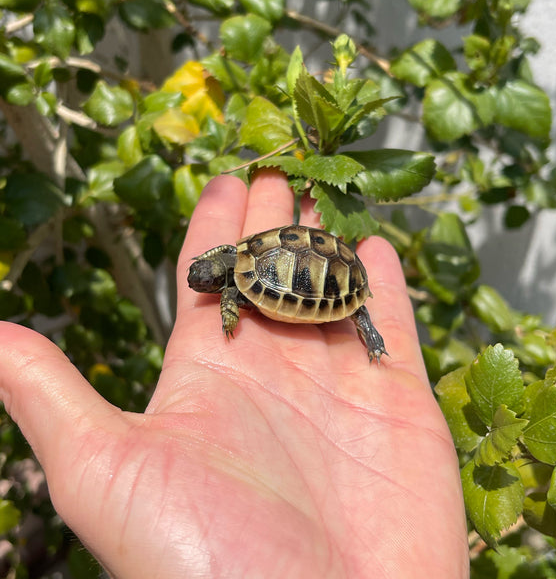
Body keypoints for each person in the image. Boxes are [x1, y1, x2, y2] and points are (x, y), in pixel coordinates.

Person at [0, 169, 469, 578]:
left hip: (323, 279)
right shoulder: (238, 253)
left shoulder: (234, 284)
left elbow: (232, 290)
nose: (199, 284)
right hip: (291, 257)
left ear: (218, 274)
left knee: (352, 311)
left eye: (204, 280)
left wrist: (229, 310)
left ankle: (366, 325)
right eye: (202, 277)